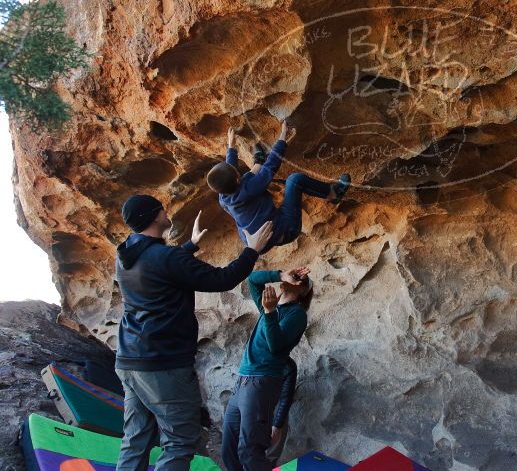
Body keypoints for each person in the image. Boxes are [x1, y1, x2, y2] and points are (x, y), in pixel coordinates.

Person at [114, 194, 274, 471]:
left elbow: (160, 268)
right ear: (154, 216)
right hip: (163, 364)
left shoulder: (126, 255)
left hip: (130, 359)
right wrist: (252, 250)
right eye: (161, 208)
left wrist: (190, 245)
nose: (166, 211)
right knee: (179, 441)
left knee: (136, 438)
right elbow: (221, 279)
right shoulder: (167, 256)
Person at [221, 266, 313, 470]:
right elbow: (252, 279)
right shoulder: (269, 307)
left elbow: (275, 346)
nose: (295, 279)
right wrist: (280, 275)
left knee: (250, 451)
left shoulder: (297, 314)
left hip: (262, 380)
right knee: (229, 447)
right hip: (243, 380)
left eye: (300, 279)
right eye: (295, 275)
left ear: (303, 291)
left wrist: (271, 312)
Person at [206, 123, 351, 253]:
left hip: (260, 239)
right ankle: (333, 194)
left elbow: (230, 172)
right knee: (294, 180)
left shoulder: (223, 197)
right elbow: (270, 168)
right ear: (236, 178)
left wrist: (231, 145)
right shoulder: (247, 188)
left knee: (248, 180)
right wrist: (282, 138)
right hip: (287, 229)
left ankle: (258, 161)